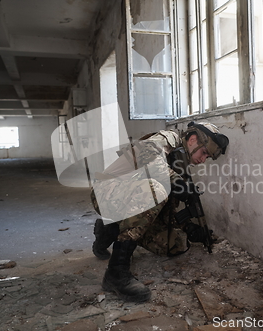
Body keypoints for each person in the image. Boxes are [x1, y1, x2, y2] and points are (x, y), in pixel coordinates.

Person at [89, 121, 229, 302]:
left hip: (126, 202)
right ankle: (116, 272)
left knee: (172, 245)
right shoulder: (168, 138)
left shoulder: (181, 163)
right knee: (156, 190)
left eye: (207, 157)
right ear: (193, 140)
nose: (203, 160)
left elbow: (168, 209)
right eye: (204, 153)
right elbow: (150, 157)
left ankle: (110, 229)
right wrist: (177, 182)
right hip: (106, 192)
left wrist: (189, 228)